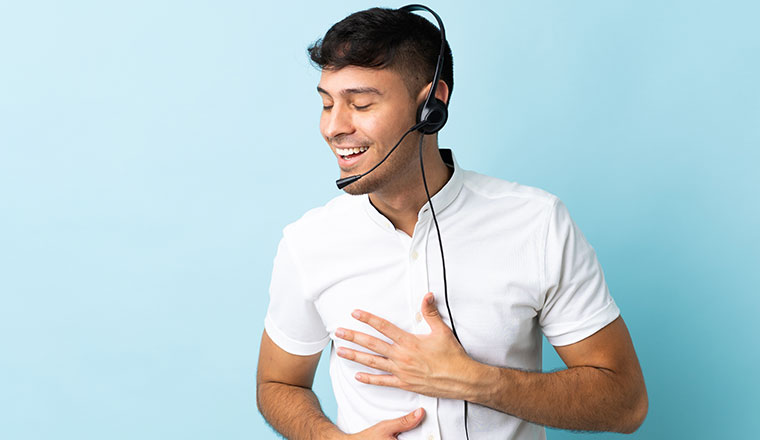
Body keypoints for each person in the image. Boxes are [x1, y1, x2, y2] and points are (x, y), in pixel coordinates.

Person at [256, 6, 648, 440]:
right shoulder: (307, 242)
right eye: (327, 103)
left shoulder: (536, 223)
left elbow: (625, 402)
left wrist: (476, 381)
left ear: (432, 104)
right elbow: (278, 383)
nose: (334, 126)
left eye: (361, 103)